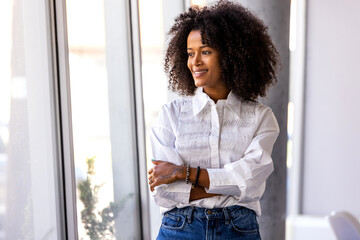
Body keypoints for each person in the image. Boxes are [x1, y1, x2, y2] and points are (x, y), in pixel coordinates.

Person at [148, 1, 280, 239]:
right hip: (179, 229)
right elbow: (165, 192)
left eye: (205, 52)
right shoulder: (171, 115)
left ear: (231, 55)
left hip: (238, 230)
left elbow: (248, 182)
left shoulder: (261, 118)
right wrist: (231, 186)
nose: (194, 62)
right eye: (190, 53)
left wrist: (182, 172)